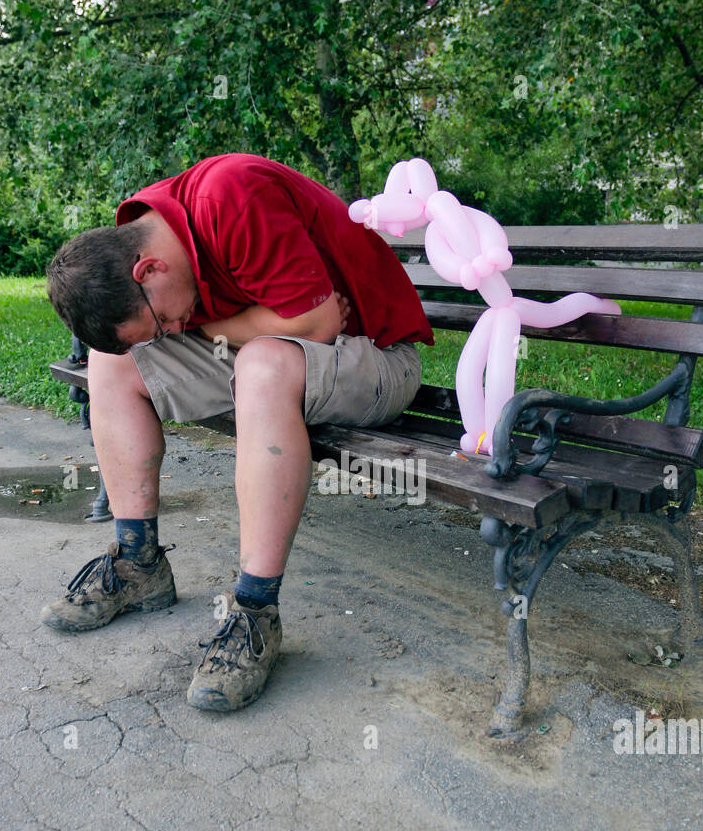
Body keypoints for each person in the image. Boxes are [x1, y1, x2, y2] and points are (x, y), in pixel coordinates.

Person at [43, 153, 434, 712]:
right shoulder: (144, 226)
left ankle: (254, 613)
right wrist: (243, 326)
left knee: (263, 365)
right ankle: (138, 564)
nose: (172, 333)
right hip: (280, 349)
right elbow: (293, 322)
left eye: (160, 323)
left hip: (376, 358)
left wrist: (218, 327)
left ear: (148, 270)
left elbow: (321, 325)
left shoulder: (231, 198)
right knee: (115, 364)